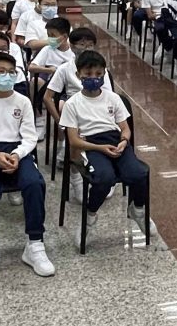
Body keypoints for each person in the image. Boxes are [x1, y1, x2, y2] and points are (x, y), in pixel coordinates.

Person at [0, 51, 54, 285]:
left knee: (34, 183)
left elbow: (30, 137)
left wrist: (17, 154)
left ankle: (35, 244)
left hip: (17, 151)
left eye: (12, 72)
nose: (7, 76)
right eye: (1, 72)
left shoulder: (22, 101)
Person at [60, 51, 150, 228]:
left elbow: (125, 128)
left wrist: (124, 141)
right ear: (78, 75)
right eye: (88, 74)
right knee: (104, 178)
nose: (94, 78)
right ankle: (90, 213)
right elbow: (74, 141)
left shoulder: (113, 98)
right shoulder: (72, 104)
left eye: (98, 74)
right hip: (92, 145)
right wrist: (100, 148)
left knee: (139, 173)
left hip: (116, 141)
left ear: (104, 74)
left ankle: (137, 209)